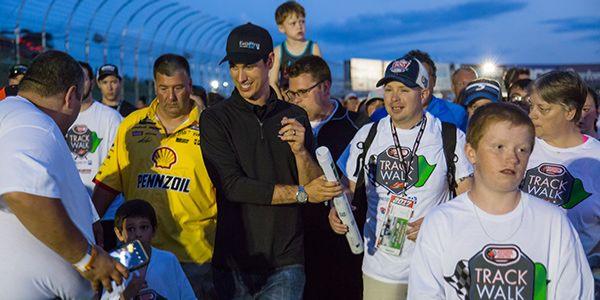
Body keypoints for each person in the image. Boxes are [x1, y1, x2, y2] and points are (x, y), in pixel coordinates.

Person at [200, 23, 341, 299]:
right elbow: (233, 186)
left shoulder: (295, 115)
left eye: (249, 66)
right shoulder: (215, 118)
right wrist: (301, 194)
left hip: (286, 261)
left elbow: (314, 187)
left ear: (270, 62)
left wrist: (301, 151)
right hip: (235, 261)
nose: (240, 76)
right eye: (234, 66)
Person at [408, 102, 594, 299]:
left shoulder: (554, 223)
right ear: (471, 153)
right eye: (499, 147)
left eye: (522, 149)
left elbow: (575, 294)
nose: (512, 158)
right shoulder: (441, 222)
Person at [330, 55, 473, 300]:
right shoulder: (369, 134)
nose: (394, 98)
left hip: (437, 267)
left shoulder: (449, 137)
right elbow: (349, 189)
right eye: (388, 89)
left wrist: (437, 222)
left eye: (404, 89)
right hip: (382, 269)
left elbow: (471, 202)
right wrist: (338, 209)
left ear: (424, 94)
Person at [0, 50, 127, 298]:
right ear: (70, 96)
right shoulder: (33, 124)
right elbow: (22, 193)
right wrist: (88, 259)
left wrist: (86, 213)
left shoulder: (17, 116)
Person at [92, 54, 217, 298]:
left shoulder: (210, 127)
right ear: (154, 86)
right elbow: (109, 182)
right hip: (137, 251)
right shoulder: (131, 124)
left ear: (190, 85)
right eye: (164, 88)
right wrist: (91, 225)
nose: (171, 97)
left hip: (195, 254)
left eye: (179, 88)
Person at [287, 55, 364, 299]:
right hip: (298, 244)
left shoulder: (357, 128)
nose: (296, 100)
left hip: (344, 243)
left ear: (325, 87)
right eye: (292, 93)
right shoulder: (285, 127)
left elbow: (361, 187)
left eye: (302, 92)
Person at [521, 71, 600, 267]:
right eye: (531, 106)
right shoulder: (521, 149)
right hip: (529, 276)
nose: (532, 115)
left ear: (570, 112)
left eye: (543, 109)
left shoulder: (595, 157)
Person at [68, 61, 124, 251]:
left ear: (91, 82)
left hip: (106, 216)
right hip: (72, 214)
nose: (78, 83)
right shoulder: (62, 117)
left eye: (83, 78)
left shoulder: (111, 118)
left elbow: (120, 166)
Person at [102, 199, 195, 299]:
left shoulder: (168, 260)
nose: (138, 234)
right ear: (119, 233)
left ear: (154, 230)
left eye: (144, 227)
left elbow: (188, 297)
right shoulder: (113, 267)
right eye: (131, 229)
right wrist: (126, 295)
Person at [371, 50, 468, 132]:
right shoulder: (378, 116)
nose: (418, 83)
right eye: (411, 77)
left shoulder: (457, 113)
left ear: (434, 80)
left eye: (424, 77)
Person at [269, 0, 321, 99]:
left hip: (308, 99)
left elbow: (319, 77)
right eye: (293, 23)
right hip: (288, 100)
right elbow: (272, 82)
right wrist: (280, 103)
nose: (299, 26)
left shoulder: (313, 47)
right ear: (281, 28)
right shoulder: (278, 51)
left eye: (302, 21)